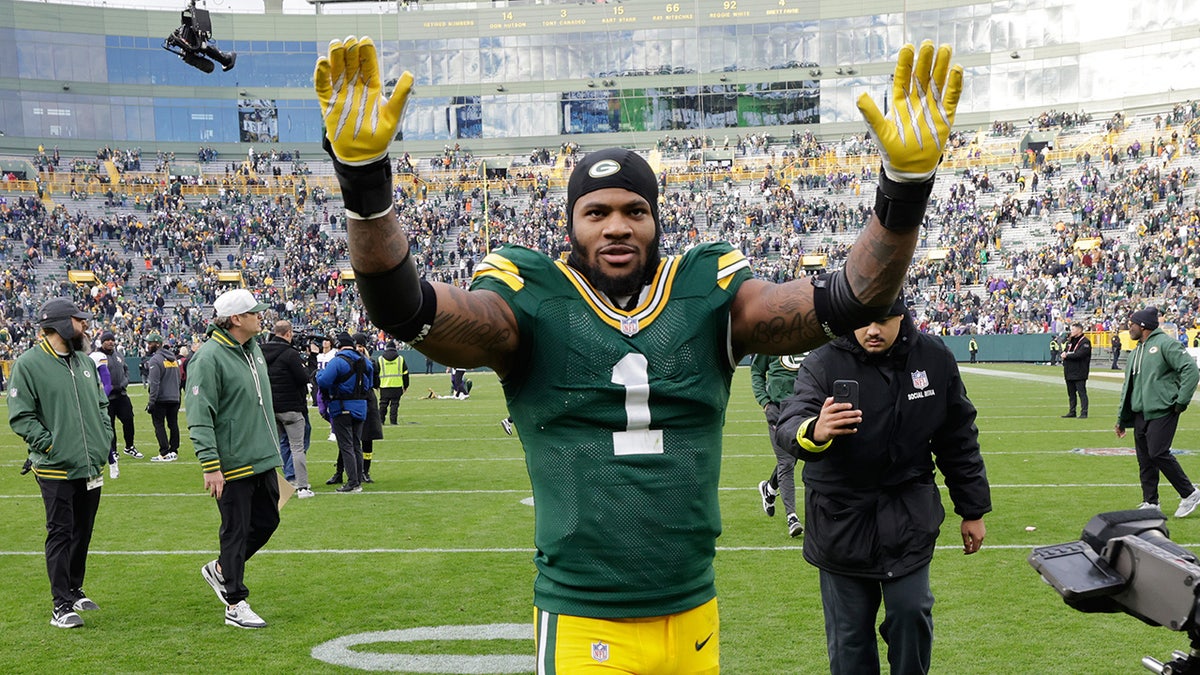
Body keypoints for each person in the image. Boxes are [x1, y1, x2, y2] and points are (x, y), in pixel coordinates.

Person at [316, 36, 960, 671]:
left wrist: (904, 186)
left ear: (657, 223)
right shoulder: (530, 299)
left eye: (634, 210)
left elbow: (848, 298)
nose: (617, 225)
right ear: (571, 225)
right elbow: (406, 310)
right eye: (596, 212)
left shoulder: (707, 291)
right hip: (582, 618)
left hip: (694, 615)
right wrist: (366, 188)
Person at [773, 296, 991, 675]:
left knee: (912, 613)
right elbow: (792, 422)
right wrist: (816, 430)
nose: (873, 330)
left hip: (908, 513)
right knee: (850, 638)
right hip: (840, 520)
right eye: (865, 321)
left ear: (902, 316)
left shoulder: (933, 358)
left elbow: (958, 437)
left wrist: (972, 510)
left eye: (884, 320)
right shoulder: (823, 361)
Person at [9, 298, 114, 628]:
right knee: (61, 532)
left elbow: (100, 405)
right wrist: (51, 444)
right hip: (55, 467)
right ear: (60, 324)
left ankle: (74, 587)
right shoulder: (29, 364)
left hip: (89, 465)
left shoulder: (83, 360)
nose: (84, 326)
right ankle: (60, 605)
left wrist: (103, 438)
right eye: (78, 321)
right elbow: (21, 417)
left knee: (83, 531)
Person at [186, 288, 282, 629]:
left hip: (262, 457)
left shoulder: (252, 350)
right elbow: (199, 415)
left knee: (268, 521)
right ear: (236, 320)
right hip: (232, 462)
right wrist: (211, 465)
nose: (261, 316)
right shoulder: (209, 357)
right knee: (236, 532)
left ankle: (222, 570)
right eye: (254, 312)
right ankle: (235, 602)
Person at [1116, 306, 1200, 517]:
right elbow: (1129, 387)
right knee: (1144, 459)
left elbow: (1190, 369)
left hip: (1163, 409)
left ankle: (1190, 493)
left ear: (1143, 326)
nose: (1129, 328)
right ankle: (1150, 502)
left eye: (1132, 324)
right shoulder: (1136, 351)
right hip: (1140, 412)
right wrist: (1121, 418)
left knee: (1158, 453)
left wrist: (1181, 401)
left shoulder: (1166, 344)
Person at [750, 353, 805, 537]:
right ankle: (792, 516)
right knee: (787, 462)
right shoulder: (771, 338)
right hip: (778, 410)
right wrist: (765, 403)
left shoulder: (812, 337)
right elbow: (757, 371)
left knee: (798, 455)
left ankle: (770, 488)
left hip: (806, 408)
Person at [262, 320, 315, 498]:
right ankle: (302, 487)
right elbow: (303, 378)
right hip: (291, 407)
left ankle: (285, 482)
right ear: (288, 333)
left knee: (279, 446)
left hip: (272, 407)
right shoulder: (290, 354)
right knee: (297, 447)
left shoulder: (261, 352)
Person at [316, 331, 373, 493]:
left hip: (342, 407)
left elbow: (324, 381)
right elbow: (371, 381)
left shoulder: (338, 361)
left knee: (346, 445)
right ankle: (358, 480)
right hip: (361, 406)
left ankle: (352, 482)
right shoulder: (364, 361)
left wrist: (319, 373)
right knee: (356, 445)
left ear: (339, 345)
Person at [89, 330, 142, 480]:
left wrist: (123, 383)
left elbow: (126, 371)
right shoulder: (97, 356)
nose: (111, 342)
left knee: (128, 420)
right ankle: (114, 451)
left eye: (112, 340)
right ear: (102, 341)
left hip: (122, 394)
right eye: (108, 340)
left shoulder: (119, 355)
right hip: (107, 396)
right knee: (109, 425)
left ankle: (129, 447)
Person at [145, 334, 182, 461]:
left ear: (158, 344)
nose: (148, 346)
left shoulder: (155, 360)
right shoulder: (173, 359)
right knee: (173, 424)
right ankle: (174, 451)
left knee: (159, 424)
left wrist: (151, 401)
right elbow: (178, 378)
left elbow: (154, 383)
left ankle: (164, 452)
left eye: (150, 343)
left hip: (161, 398)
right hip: (174, 397)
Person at [354, 332, 384, 483]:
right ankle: (346, 471)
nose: (358, 349)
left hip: (368, 402)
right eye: (356, 346)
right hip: (354, 400)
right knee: (351, 438)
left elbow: (376, 383)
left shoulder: (371, 363)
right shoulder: (347, 360)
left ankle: (366, 471)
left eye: (360, 346)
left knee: (367, 439)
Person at [1060, 322, 1091, 418]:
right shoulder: (1071, 341)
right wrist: (1064, 354)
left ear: (1079, 330)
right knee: (1071, 393)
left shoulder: (1085, 342)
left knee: (1082, 393)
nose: (1071, 331)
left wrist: (1067, 355)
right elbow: (1065, 350)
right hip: (1069, 371)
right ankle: (1072, 411)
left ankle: (1084, 412)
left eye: (1073, 329)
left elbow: (1080, 354)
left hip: (1079, 371)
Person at [376, 340, 409, 425]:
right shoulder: (400, 359)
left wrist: (376, 385)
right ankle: (393, 421)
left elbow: (375, 374)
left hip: (384, 386)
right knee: (395, 404)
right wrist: (406, 386)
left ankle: (381, 421)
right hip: (397, 386)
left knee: (383, 404)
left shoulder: (380, 359)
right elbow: (405, 373)